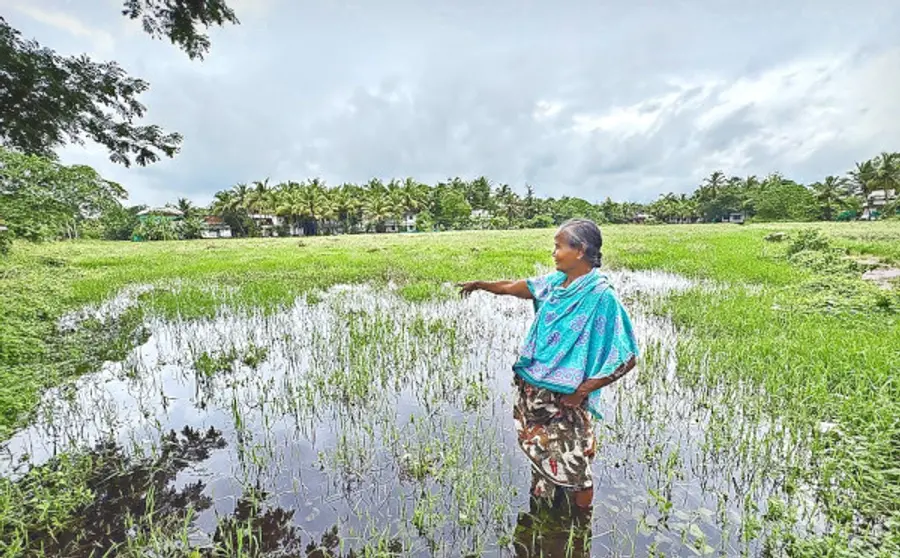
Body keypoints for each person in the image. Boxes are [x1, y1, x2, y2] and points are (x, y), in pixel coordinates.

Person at [457, 218, 639, 511]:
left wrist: (583, 391)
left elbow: (627, 356)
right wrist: (480, 285)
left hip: (566, 399)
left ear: (579, 250)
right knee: (542, 455)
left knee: (576, 468)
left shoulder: (600, 296)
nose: (554, 252)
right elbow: (514, 287)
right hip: (536, 391)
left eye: (558, 246)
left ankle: (579, 531)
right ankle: (544, 518)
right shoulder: (556, 284)